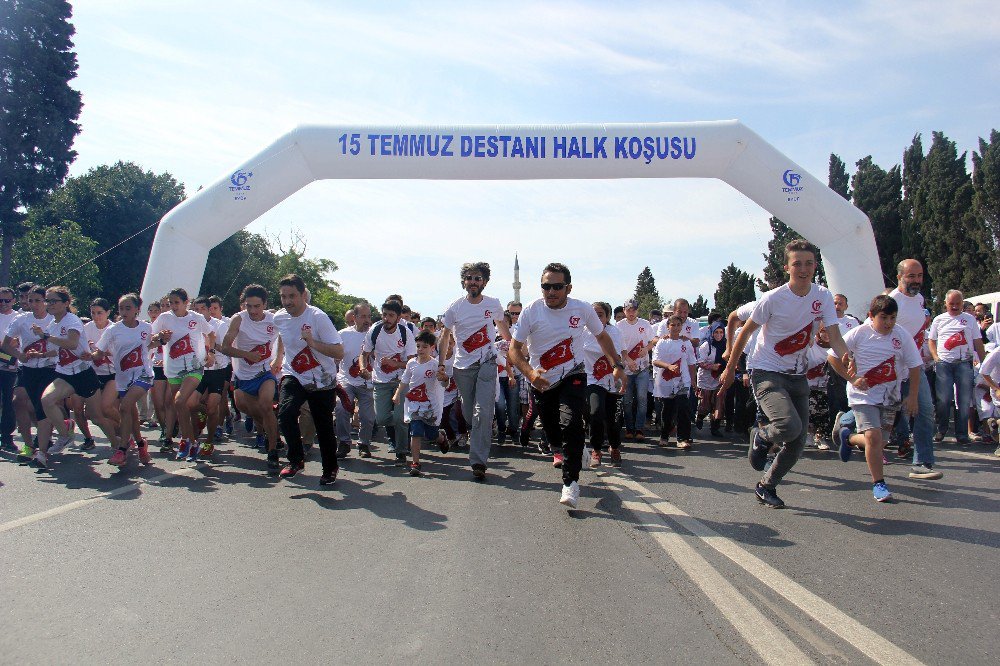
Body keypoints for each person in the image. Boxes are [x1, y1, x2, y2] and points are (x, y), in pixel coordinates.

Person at [720, 239, 849, 509]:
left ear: (815, 266)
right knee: (789, 426)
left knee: (797, 442)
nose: (804, 269)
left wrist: (847, 356)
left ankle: (766, 486)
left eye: (809, 263)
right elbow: (745, 331)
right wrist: (731, 368)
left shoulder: (823, 296)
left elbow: (834, 335)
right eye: (797, 264)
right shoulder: (773, 298)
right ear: (787, 267)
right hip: (766, 371)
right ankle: (762, 435)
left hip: (797, 374)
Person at [508, 262, 626, 508]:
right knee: (553, 434)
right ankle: (566, 449)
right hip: (541, 380)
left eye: (557, 287)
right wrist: (530, 374)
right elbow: (514, 350)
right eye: (546, 286)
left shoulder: (582, 309)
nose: (551, 292)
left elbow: (601, 336)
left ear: (568, 288)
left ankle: (570, 483)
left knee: (571, 423)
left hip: (574, 373)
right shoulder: (531, 311)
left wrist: (618, 364)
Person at [829, 295, 922, 502]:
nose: (889, 323)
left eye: (893, 318)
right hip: (862, 396)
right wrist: (852, 379)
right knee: (873, 437)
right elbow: (833, 357)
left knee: (881, 442)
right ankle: (879, 484)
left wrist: (913, 396)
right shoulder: (859, 334)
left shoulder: (901, 335)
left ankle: (847, 436)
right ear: (871, 316)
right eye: (884, 318)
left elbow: (915, 366)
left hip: (890, 396)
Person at [437, 262, 511, 480]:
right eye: (469, 278)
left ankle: (478, 461)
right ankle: (474, 431)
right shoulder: (455, 307)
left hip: (487, 362)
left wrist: (513, 350)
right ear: (464, 282)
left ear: (485, 282)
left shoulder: (493, 304)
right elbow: (444, 336)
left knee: (483, 413)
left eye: (478, 278)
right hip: (463, 367)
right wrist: (442, 364)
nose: (473, 282)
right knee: (470, 414)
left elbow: (503, 330)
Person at [33, 286, 119, 469]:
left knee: (96, 417)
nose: (49, 304)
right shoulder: (52, 325)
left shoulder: (72, 321)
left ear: (66, 303)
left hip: (83, 373)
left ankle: (117, 444)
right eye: (47, 301)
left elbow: (72, 343)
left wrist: (46, 336)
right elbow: (55, 350)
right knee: (47, 400)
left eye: (53, 301)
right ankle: (65, 434)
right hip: (64, 373)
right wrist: (38, 355)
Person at [272, 274, 344, 484]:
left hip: (322, 379)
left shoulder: (318, 317)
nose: (287, 302)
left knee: (323, 426)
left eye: (292, 296)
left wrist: (312, 342)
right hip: (294, 374)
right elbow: (282, 336)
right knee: (285, 413)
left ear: (303, 295)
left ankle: (330, 469)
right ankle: (295, 460)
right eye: (283, 297)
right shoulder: (279, 317)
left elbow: (339, 351)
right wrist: (278, 357)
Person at [219, 284, 283, 473]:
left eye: (257, 306)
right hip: (242, 376)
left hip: (264, 373)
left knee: (265, 405)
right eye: (249, 306)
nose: (253, 311)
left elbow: (284, 338)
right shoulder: (238, 320)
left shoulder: (274, 320)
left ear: (264, 304)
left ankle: (272, 452)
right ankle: (273, 433)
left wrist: (278, 358)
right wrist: (245, 353)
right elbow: (224, 347)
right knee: (249, 410)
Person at [151, 287, 216, 462]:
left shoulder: (197, 318)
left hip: (194, 367)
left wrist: (210, 353)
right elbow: (151, 338)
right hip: (173, 368)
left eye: (176, 303)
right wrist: (160, 337)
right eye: (170, 303)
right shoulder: (164, 318)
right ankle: (192, 442)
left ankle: (184, 441)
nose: (172, 306)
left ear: (186, 303)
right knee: (182, 406)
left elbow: (211, 334)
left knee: (179, 400)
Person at [94, 293, 155, 467]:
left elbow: (149, 345)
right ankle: (141, 444)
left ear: (137, 309)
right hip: (123, 377)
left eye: (128, 308)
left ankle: (122, 449)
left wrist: (161, 340)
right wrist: (88, 356)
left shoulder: (146, 328)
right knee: (132, 414)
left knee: (125, 406)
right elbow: (99, 351)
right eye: (121, 308)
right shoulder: (113, 330)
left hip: (143, 374)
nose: (124, 311)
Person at [1, 285, 54, 459]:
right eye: (30, 300)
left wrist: (43, 353)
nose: (33, 304)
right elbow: (6, 344)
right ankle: (28, 446)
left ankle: (44, 447)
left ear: (46, 302)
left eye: (38, 300)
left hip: (49, 368)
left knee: (40, 406)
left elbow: (64, 346)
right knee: (18, 401)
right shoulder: (21, 319)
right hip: (27, 368)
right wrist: (19, 355)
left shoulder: (54, 320)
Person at [928, 289, 986, 446]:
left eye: (957, 303)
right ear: (945, 303)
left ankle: (961, 434)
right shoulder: (939, 319)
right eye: (951, 304)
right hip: (944, 364)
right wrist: (935, 357)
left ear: (962, 303)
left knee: (964, 400)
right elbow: (931, 340)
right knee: (944, 399)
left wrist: (984, 363)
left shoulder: (970, 319)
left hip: (964, 363)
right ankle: (941, 429)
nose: (954, 306)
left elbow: (978, 342)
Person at [361, 299, 416, 464]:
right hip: (381, 380)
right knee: (382, 419)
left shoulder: (406, 333)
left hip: (401, 380)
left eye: (391, 315)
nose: (387, 318)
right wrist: (364, 368)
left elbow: (412, 363)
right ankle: (410, 422)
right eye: (384, 314)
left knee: (399, 418)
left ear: (398, 318)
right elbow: (364, 354)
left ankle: (401, 451)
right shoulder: (374, 331)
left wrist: (396, 364)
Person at [393, 330, 446, 476]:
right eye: (418, 346)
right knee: (415, 432)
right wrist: (397, 394)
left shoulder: (436, 365)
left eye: (424, 346)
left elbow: (444, 383)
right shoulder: (411, 363)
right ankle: (415, 462)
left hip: (430, 406)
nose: (420, 349)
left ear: (432, 348)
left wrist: (444, 378)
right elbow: (404, 380)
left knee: (430, 435)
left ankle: (440, 437)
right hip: (414, 404)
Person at [584, 301, 626, 467]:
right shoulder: (582, 331)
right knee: (595, 413)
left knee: (613, 421)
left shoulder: (613, 332)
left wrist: (619, 369)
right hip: (591, 380)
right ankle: (596, 449)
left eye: (600, 314)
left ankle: (614, 447)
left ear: (608, 317)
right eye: (593, 314)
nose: (596, 318)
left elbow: (617, 355)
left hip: (611, 381)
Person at [335, 301, 376, 458]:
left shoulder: (375, 334)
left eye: (369, 316)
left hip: (368, 382)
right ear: (354, 317)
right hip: (347, 380)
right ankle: (344, 442)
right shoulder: (343, 334)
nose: (367, 320)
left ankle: (364, 444)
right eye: (363, 316)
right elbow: (336, 358)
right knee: (341, 408)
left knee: (367, 416)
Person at [652, 315, 698, 449]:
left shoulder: (686, 342)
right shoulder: (662, 342)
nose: (676, 328)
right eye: (673, 325)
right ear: (668, 327)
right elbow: (655, 360)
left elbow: (691, 363)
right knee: (667, 410)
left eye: (678, 325)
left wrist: (693, 380)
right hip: (666, 380)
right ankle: (664, 435)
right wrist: (668, 366)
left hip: (683, 380)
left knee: (683, 408)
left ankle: (682, 438)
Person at [616, 298, 654, 442]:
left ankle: (639, 428)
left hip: (642, 367)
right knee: (627, 400)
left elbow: (652, 341)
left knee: (642, 398)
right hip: (626, 368)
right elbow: (619, 347)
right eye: (628, 310)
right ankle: (629, 428)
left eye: (634, 310)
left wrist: (646, 349)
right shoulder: (619, 325)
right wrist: (628, 360)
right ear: (624, 310)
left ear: (637, 310)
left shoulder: (645, 324)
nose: (631, 313)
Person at [696, 322, 727, 437]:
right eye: (716, 332)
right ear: (712, 333)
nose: (719, 335)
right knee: (706, 403)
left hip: (720, 377)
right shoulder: (706, 346)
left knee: (719, 403)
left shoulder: (726, 345)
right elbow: (699, 362)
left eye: (721, 332)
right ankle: (700, 417)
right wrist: (711, 366)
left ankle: (715, 427)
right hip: (706, 378)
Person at [0, 286, 19, 450]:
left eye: (7, 300)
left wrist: (6, 347)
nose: (3, 303)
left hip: (10, 367)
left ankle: (6, 436)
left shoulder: (19, 318)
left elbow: (16, 342)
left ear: (14, 301)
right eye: (0, 300)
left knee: (8, 402)